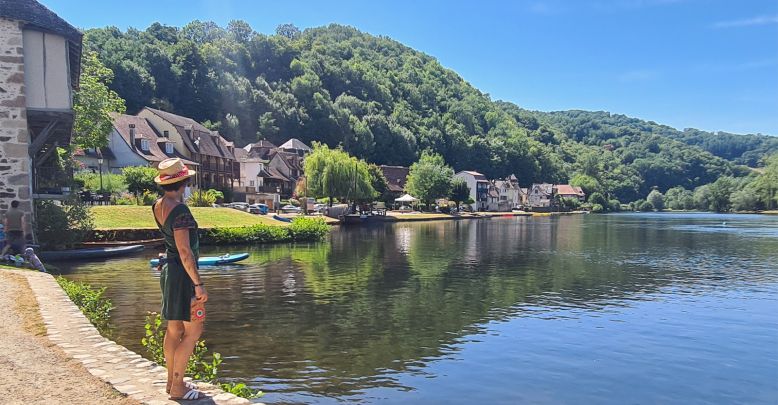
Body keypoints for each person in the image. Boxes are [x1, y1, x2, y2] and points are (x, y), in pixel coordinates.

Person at [151, 158, 209, 401]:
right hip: (183, 276)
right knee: (193, 332)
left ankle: (171, 381)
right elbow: (185, 252)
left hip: (168, 273)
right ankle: (178, 387)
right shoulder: (180, 210)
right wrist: (198, 284)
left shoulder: (158, 205)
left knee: (174, 330)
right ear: (184, 181)